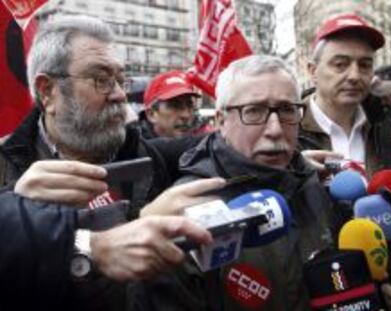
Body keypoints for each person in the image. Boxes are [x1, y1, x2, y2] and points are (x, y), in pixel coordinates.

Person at [0, 15, 223, 311]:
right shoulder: (8, 170)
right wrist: (19, 208)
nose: (120, 95)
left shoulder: (147, 156)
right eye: (101, 80)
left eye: (120, 80)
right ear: (47, 91)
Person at [134, 55, 342, 310]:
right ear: (221, 121)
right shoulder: (185, 212)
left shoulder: (317, 184)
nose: (275, 129)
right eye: (254, 111)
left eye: (287, 109)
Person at [0, 189, 213, 310]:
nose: (118, 106)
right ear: (49, 106)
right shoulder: (17, 170)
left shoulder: (144, 152)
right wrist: (92, 247)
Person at [300, 13, 391, 176]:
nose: (355, 76)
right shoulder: (287, 132)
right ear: (312, 71)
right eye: (340, 64)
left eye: (364, 65)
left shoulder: (384, 130)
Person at [138, 70, 200, 139]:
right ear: (151, 114)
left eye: (189, 105)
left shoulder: (202, 145)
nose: (186, 115)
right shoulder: (133, 147)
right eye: (175, 106)